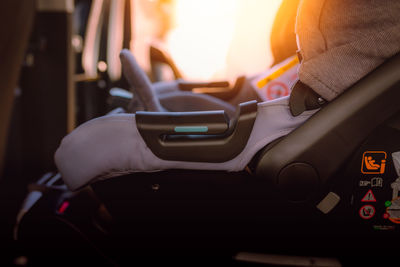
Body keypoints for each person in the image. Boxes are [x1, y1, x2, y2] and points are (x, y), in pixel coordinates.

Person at [55, 0, 400, 190]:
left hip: (310, 136)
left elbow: (77, 153)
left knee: (89, 145)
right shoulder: (350, 65)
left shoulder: (338, 82)